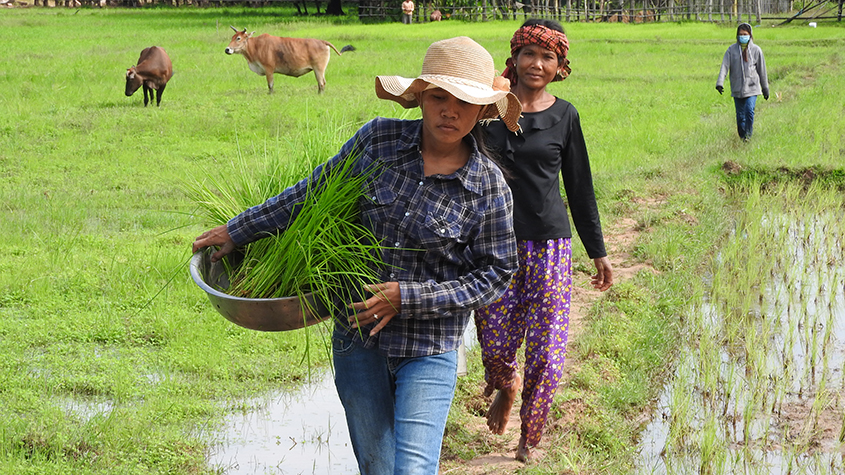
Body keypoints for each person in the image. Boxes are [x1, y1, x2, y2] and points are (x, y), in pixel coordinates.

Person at [192, 36, 522, 475]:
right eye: (439, 96)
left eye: (464, 101)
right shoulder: (378, 142)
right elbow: (311, 195)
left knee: (412, 469)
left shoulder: (488, 186)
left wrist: (409, 297)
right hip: (357, 336)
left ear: (482, 110)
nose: (450, 110)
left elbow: (496, 274)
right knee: (378, 468)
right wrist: (238, 230)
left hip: (429, 345)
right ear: (420, 97)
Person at [475, 19, 614, 463]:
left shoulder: (565, 115)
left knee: (548, 354)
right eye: (529, 53)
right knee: (496, 344)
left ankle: (528, 438)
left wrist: (598, 252)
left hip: (550, 248)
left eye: (548, 56)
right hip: (492, 246)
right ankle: (506, 384)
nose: (537, 63)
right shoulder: (487, 109)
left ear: (560, 66)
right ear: (513, 57)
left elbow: (579, 186)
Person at [716, 22, 769, 142]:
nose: (742, 37)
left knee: (749, 111)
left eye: (745, 34)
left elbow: (762, 70)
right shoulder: (731, 50)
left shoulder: (756, 50)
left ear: (750, 35)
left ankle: (748, 136)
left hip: (752, 87)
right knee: (740, 117)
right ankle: (742, 136)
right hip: (737, 88)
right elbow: (725, 66)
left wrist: (765, 88)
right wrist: (720, 83)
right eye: (740, 34)